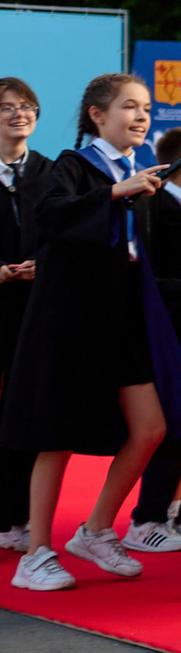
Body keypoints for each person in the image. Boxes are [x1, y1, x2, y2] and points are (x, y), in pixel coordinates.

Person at [0, 73, 181, 590]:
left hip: (123, 318)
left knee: (151, 427)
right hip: (70, 320)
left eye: (147, 109)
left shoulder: (141, 175)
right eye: (129, 107)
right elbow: (50, 217)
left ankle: (96, 529)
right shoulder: (72, 166)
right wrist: (113, 192)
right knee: (55, 437)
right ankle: (35, 553)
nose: (141, 117)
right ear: (97, 115)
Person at [124, 126, 181, 552]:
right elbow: (144, 277)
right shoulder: (152, 206)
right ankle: (146, 519)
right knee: (177, 426)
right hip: (173, 333)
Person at [0, 79, 48, 553]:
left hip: (36, 313)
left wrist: (45, 265)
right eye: (7, 108)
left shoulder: (51, 174)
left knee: (28, 415)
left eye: (27, 106)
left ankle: (22, 518)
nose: (20, 114)